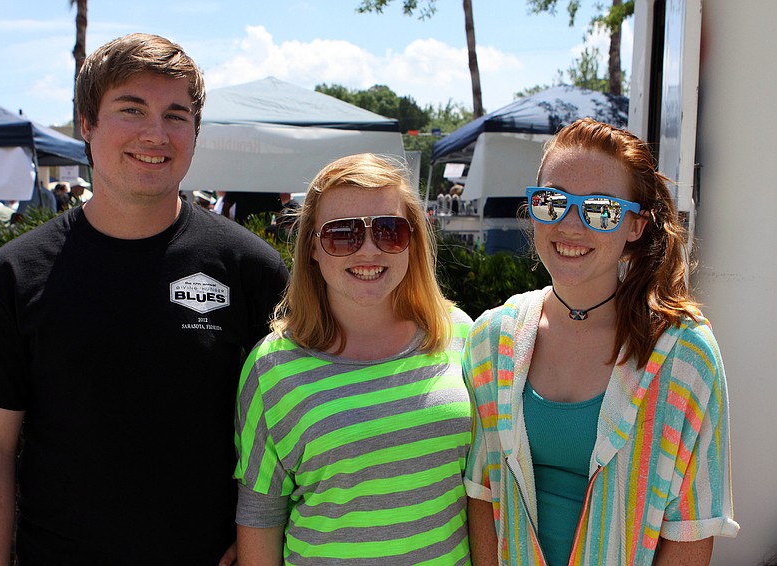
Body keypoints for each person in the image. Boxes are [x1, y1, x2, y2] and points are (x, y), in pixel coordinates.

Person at [0, 33, 289, 566]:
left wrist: (261, 539)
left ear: (196, 131)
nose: (156, 133)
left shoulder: (250, 269)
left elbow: (287, 430)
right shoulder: (15, 275)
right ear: (87, 124)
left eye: (176, 115)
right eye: (131, 109)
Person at [463, 118, 738, 565]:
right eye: (552, 202)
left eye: (600, 208)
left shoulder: (684, 354)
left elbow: (691, 528)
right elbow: (482, 494)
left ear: (635, 226)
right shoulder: (491, 339)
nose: (570, 224)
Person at [235, 153, 473, 564]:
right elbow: (260, 516)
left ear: (413, 240)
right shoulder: (271, 368)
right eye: (341, 234)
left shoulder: (461, 336)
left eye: (389, 231)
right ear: (312, 247)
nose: (368, 251)